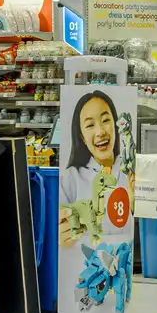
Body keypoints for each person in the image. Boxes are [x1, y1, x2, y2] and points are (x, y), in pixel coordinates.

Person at [59, 90, 133, 248]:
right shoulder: (70, 178)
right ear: (82, 136)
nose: (100, 132)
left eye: (106, 120)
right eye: (90, 125)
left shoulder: (131, 170)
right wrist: (59, 235)